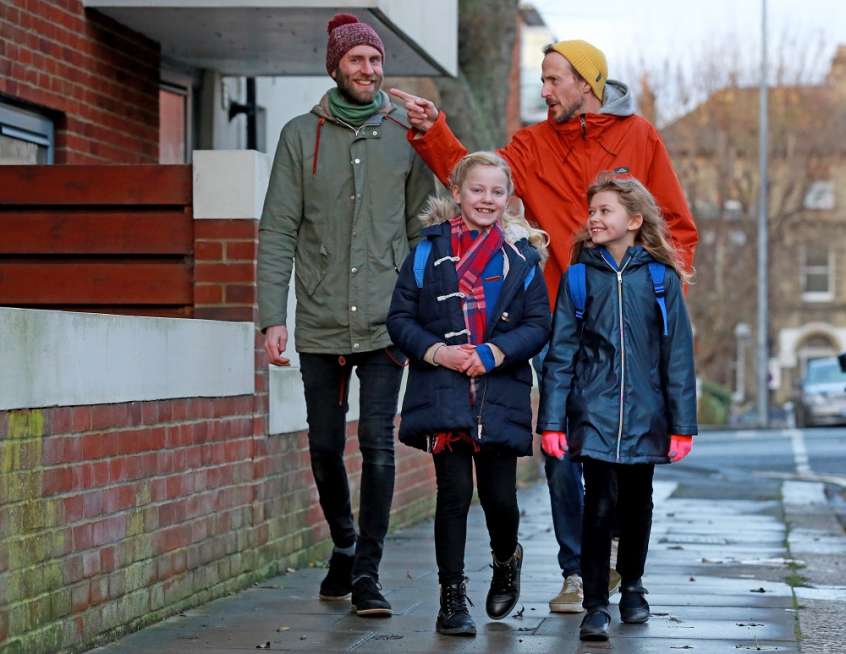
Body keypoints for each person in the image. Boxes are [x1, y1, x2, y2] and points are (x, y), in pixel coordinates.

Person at [389, 38, 698, 612]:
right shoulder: (531, 145)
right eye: (542, 78)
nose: (544, 90)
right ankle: (577, 571)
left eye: (554, 79)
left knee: (623, 459)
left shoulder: (640, 139)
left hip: (628, 329)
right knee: (559, 450)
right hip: (562, 320)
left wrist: (655, 303)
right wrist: (434, 131)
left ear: (587, 83)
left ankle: (624, 571)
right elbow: (482, 180)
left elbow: (676, 225)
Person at [257, 13, 435, 617]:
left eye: (376, 60)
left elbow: (421, 228)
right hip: (321, 318)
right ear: (334, 67)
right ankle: (343, 541)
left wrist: (421, 308)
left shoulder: (404, 132)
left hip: (387, 319)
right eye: (357, 60)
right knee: (326, 447)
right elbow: (278, 228)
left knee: (377, 444)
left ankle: (367, 573)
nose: (369, 70)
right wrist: (271, 316)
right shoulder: (297, 135)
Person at [387, 152, 550, 636]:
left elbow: (538, 324)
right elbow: (399, 320)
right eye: (477, 190)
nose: (487, 199)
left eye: (497, 192)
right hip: (444, 390)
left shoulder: (521, 257)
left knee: (499, 497)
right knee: (453, 493)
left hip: (499, 391)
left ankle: (505, 559)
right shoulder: (426, 251)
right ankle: (451, 598)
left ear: (508, 198)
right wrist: (438, 352)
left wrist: (496, 352)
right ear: (457, 192)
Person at [537, 172, 697, 641]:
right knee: (598, 506)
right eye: (592, 211)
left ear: (634, 219)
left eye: (605, 210)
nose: (594, 218)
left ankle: (632, 585)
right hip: (594, 414)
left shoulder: (662, 280)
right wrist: (552, 421)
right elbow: (561, 353)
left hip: (647, 417)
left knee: (637, 505)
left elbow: (678, 356)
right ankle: (594, 603)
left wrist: (682, 425)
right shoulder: (581, 277)